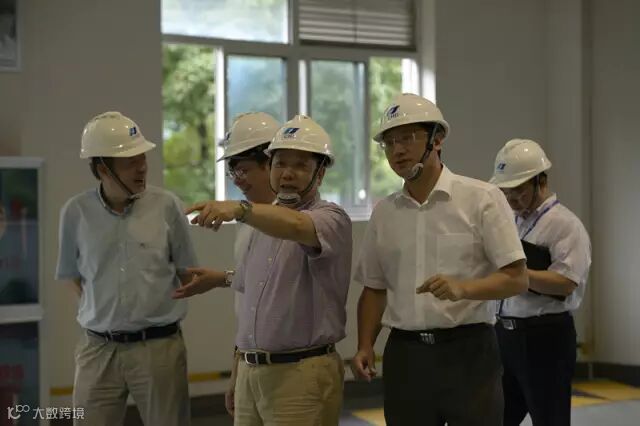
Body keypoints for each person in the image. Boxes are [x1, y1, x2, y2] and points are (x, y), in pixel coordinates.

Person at [351, 93, 528, 426]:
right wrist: (364, 345)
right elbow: (374, 289)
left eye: (407, 138)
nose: (397, 150)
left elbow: (517, 278)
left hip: (469, 352)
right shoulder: (384, 213)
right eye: (389, 143)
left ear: (437, 139)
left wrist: (464, 288)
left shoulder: (481, 198)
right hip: (406, 357)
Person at [186, 114, 351, 426]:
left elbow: (297, 226)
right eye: (280, 163)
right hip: (252, 371)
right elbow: (252, 300)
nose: (287, 173)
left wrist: (240, 210)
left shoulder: (330, 217)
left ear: (320, 172)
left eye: (300, 166)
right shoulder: (258, 225)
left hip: (300, 374)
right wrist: (239, 368)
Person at [55, 111, 198, 426]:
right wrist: (105, 314)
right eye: (130, 162)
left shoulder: (168, 206)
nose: (142, 167)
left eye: (142, 158)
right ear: (102, 168)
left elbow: (187, 272)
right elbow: (70, 275)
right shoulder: (76, 213)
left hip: (158, 348)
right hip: (97, 351)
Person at [171, 112, 279, 417]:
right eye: (232, 171)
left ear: (271, 162)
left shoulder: (300, 219)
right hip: (250, 360)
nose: (238, 180)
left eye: (243, 169)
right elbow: (251, 299)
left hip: (288, 366)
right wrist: (238, 368)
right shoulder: (247, 223)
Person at [490, 138, 592, 426]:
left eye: (518, 191)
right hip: (505, 336)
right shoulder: (511, 221)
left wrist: (517, 277)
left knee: (549, 419)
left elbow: (566, 282)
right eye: (506, 192)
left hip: (544, 337)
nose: (511, 200)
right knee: (495, 418)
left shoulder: (565, 225)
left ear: (541, 181)